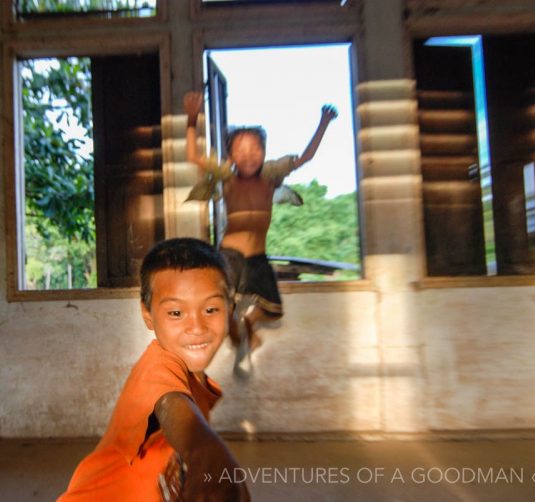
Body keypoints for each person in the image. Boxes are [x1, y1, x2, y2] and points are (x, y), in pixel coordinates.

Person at [58, 238, 250, 502]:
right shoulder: (158, 367)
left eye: (210, 309)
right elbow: (173, 406)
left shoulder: (195, 377)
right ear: (148, 314)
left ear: (230, 310)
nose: (196, 327)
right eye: (175, 313)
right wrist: (207, 454)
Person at [183, 91, 337, 377]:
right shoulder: (225, 176)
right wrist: (192, 119)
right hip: (230, 253)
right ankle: (234, 329)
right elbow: (193, 156)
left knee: (274, 309)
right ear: (230, 156)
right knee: (221, 302)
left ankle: (249, 324)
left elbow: (306, 157)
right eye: (240, 150)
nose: (248, 155)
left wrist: (323, 123)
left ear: (264, 153)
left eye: (255, 149)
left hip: (257, 256)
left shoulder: (271, 175)